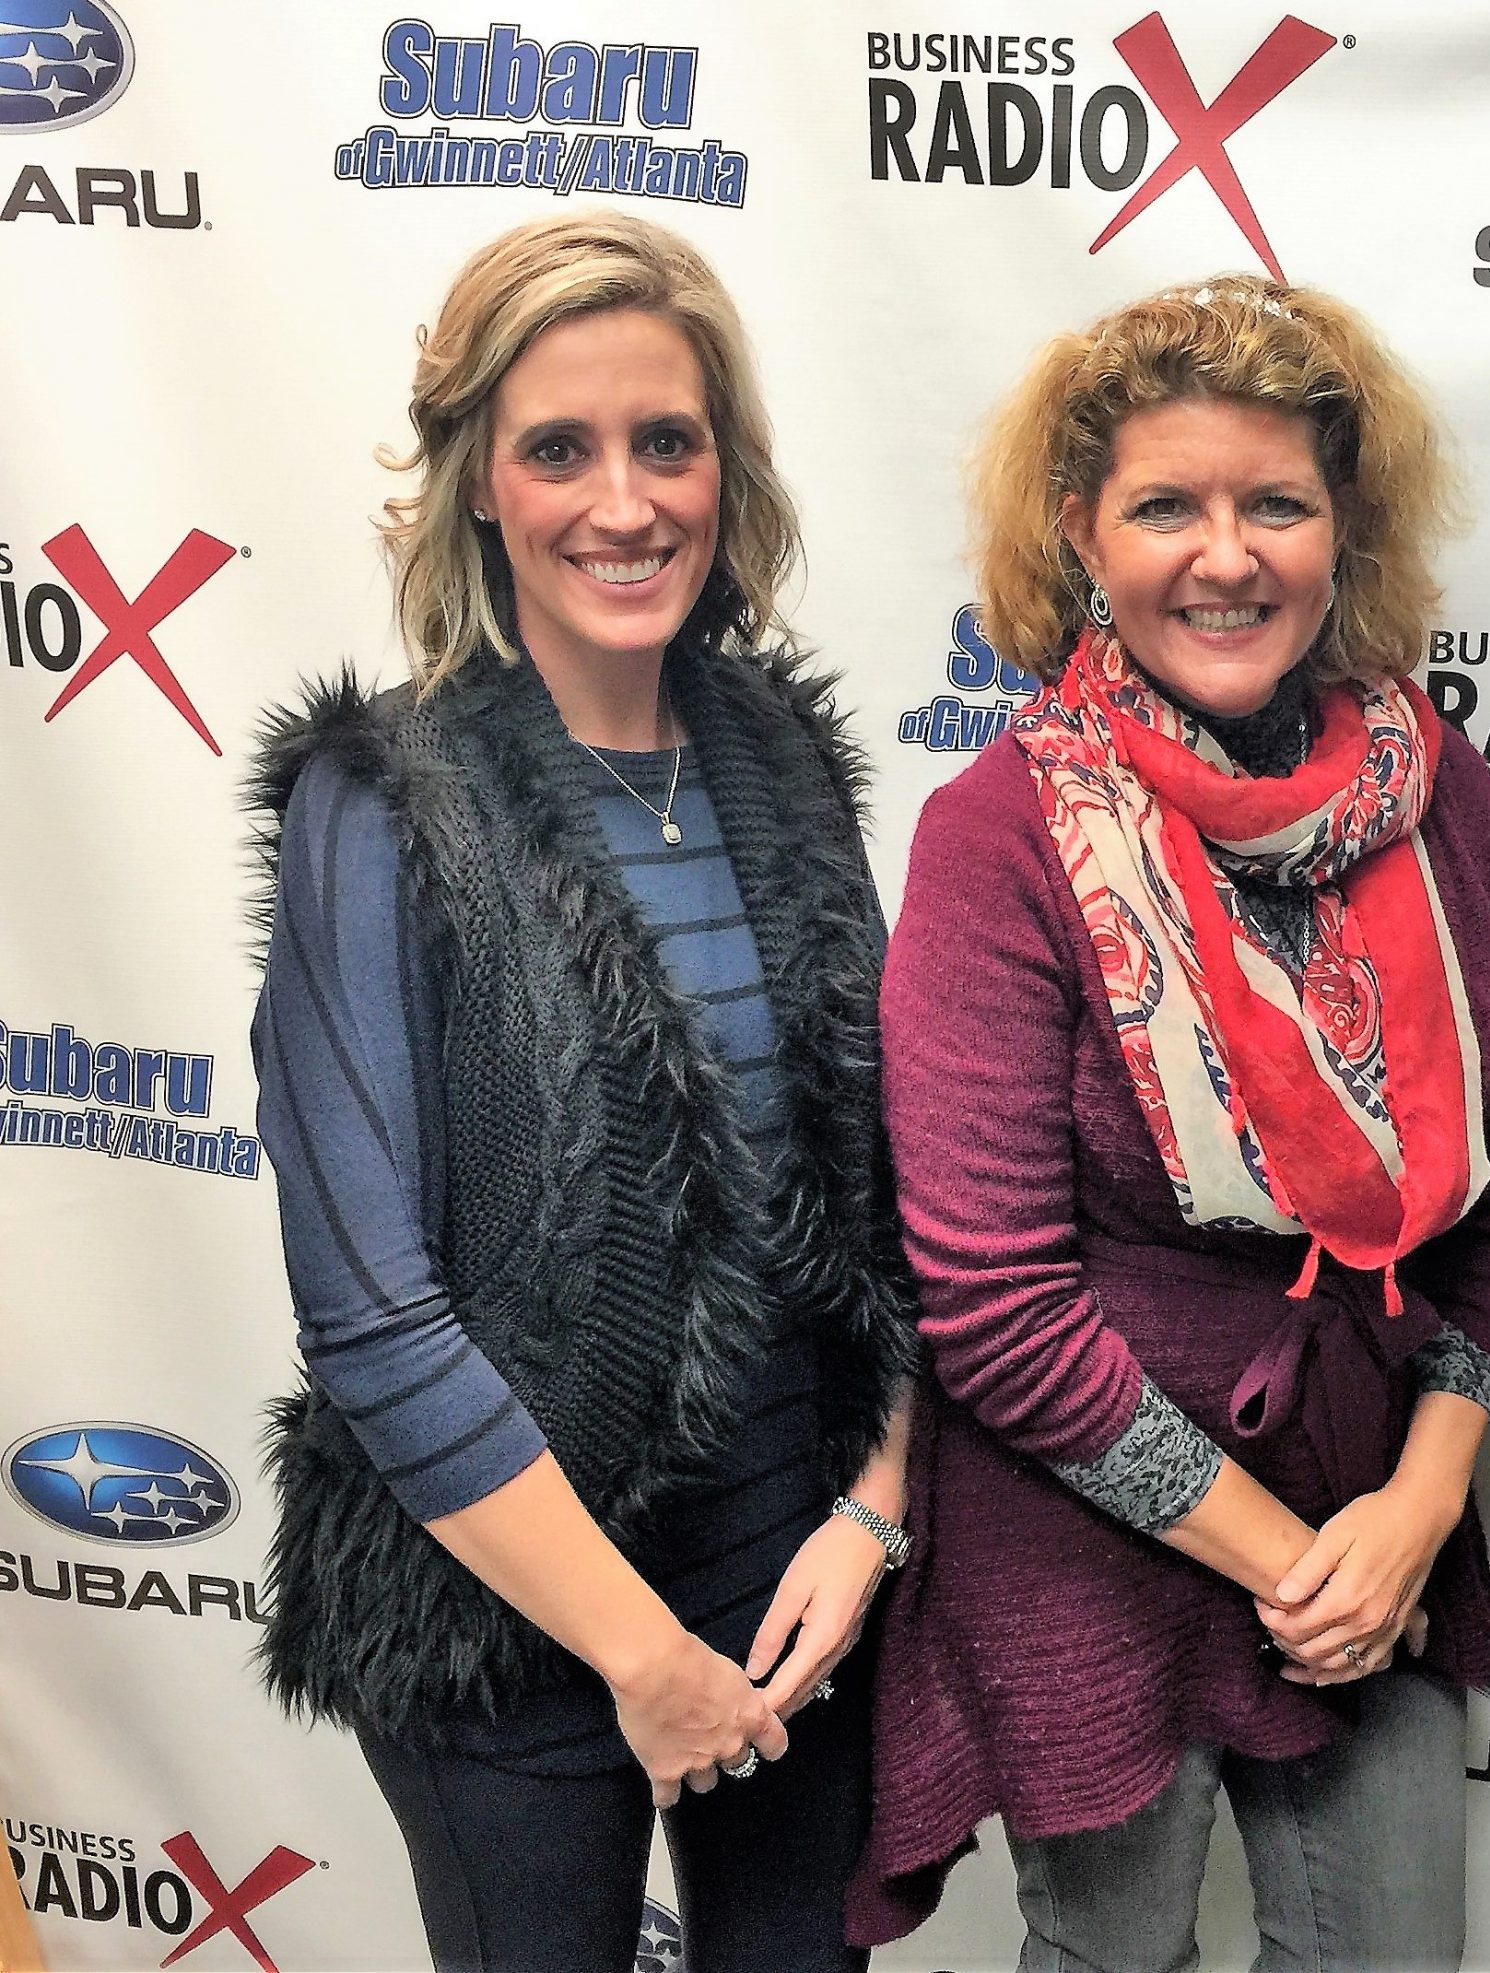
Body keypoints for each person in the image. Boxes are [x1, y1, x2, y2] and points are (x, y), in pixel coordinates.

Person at [851, 277, 1490, 1973]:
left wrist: (1415, 1510)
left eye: (1277, 505)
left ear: (1343, 528)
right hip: (1091, 1517)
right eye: (1167, 504)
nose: (1226, 557)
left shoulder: (1436, 789)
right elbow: (994, 1309)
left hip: (1376, 1493)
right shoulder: (1002, 831)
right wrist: (1299, 1565)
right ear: (1080, 531)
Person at [247, 211, 916, 1973]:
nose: (623, 503)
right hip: (503, 1612)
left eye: (666, 441)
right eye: (559, 448)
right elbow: (370, 1312)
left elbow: (894, 1204)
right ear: (478, 481)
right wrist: (639, 1654)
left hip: (789, 1573)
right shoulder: (379, 803)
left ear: (725, 466)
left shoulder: (784, 758)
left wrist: (873, 1506)